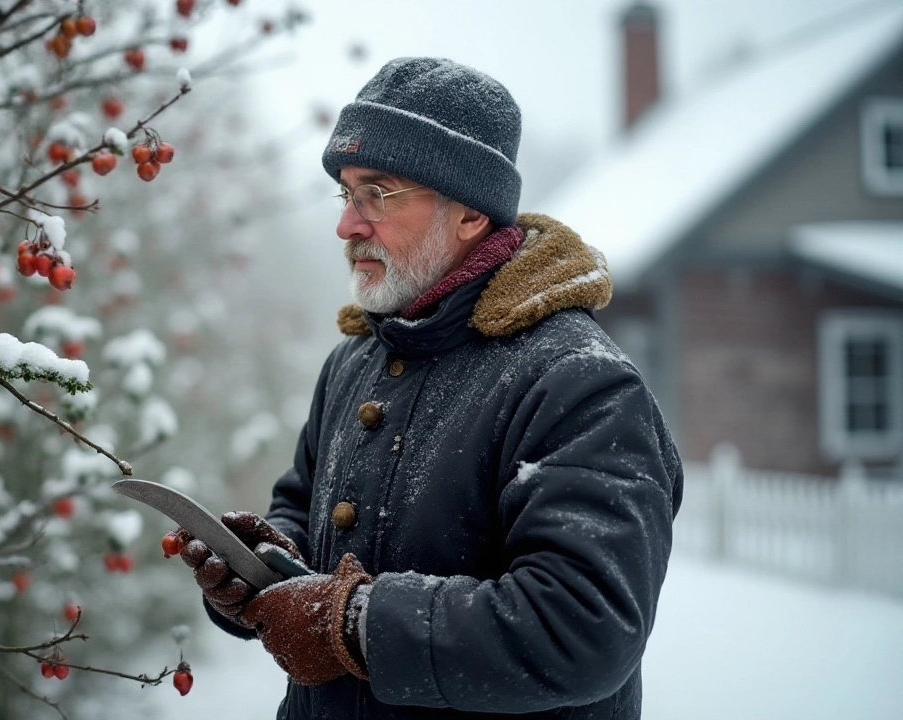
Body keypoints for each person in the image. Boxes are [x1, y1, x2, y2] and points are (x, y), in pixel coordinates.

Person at [177, 57, 683, 720]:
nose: (347, 225)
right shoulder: (357, 358)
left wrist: (350, 622)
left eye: (377, 195)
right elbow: (303, 504)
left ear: (471, 214)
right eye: (345, 194)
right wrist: (267, 566)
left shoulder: (580, 383)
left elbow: (582, 626)